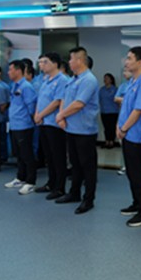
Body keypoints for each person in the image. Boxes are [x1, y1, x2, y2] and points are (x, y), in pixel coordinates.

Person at [55, 47, 100, 214]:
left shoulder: (88, 80)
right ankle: (74, 193)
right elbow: (65, 99)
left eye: (71, 59)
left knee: (87, 167)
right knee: (75, 165)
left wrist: (61, 115)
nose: (69, 62)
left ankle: (88, 199)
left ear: (80, 61)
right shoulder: (73, 79)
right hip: (72, 128)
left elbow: (79, 104)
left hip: (85, 131)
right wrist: (62, 117)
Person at [117, 47, 141, 227]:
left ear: (140, 62)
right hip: (127, 134)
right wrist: (119, 127)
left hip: (136, 134)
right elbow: (126, 107)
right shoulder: (132, 81)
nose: (126, 61)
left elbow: (138, 110)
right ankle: (136, 203)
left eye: (130, 58)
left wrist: (124, 128)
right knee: (131, 172)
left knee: (139, 173)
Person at [34, 52, 70, 199]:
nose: (41, 65)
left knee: (58, 156)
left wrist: (40, 115)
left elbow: (57, 101)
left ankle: (60, 187)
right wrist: (37, 114)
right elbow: (40, 99)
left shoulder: (62, 80)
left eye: (45, 62)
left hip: (54, 124)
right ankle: (51, 183)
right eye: (40, 62)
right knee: (49, 156)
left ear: (55, 63)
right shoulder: (45, 79)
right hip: (43, 122)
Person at [4, 60, 38, 194]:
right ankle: (20, 178)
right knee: (19, 155)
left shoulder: (26, 87)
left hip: (24, 125)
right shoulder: (14, 85)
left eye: (10, 70)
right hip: (14, 125)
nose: (8, 72)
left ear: (18, 71)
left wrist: (31, 121)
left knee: (27, 154)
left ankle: (30, 182)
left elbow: (31, 107)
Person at [99, 73, 119, 148]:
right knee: (106, 127)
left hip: (113, 112)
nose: (105, 80)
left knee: (112, 127)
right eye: (104, 78)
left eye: (107, 78)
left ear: (111, 80)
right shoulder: (102, 90)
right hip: (104, 112)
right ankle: (107, 141)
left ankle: (112, 142)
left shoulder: (115, 89)